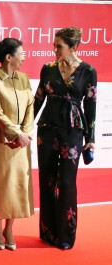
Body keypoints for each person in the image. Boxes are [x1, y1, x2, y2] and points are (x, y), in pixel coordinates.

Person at [34, 27, 97, 250]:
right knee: (47, 179)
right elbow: (38, 98)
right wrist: (24, 127)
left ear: (73, 47)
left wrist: (91, 138)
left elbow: (91, 105)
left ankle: (65, 236)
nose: (54, 49)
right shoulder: (47, 68)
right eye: (54, 45)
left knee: (67, 183)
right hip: (47, 128)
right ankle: (48, 231)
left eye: (59, 46)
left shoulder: (88, 70)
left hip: (73, 130)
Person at [0, 38, 34, 251]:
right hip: (1, 141)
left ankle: (10, 227)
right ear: (8, 57)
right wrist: (15, 133)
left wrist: (25, 132)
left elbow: (31, 104)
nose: (24, 57)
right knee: (2, 184)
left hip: (22, 142)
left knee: (19, 185)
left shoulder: (24, 78)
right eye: (21, 53)